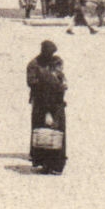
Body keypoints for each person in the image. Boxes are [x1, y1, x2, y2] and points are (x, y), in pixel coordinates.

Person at [26, 40, 68, 175]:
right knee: (41, 130)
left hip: (56, 102)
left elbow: (62, 79)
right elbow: (31, 82)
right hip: (40, 102)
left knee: (57, 132)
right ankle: (42, 162)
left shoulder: (56, 62)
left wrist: (60, 82)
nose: (51, 55)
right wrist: (48, 81)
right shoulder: (34, 64)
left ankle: (56, 164)